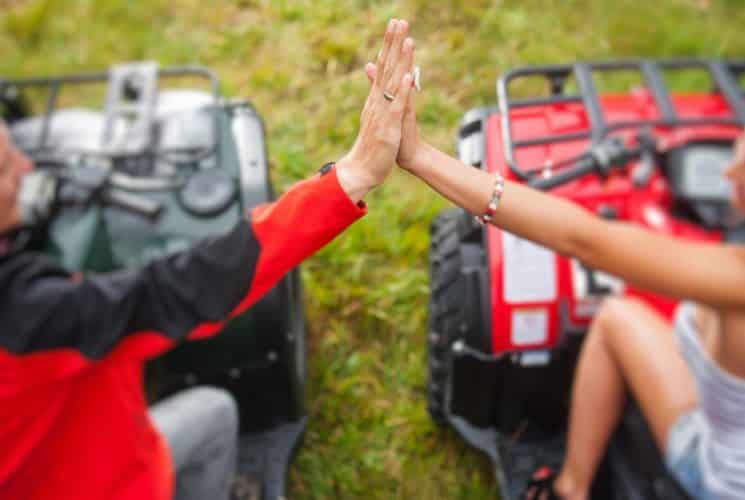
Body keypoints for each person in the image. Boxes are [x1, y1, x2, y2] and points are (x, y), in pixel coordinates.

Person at [0, 19, 416, 500]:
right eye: (10, 168)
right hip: (119, 481)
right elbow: (184, 289)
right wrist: (349, 179)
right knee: (216, 413)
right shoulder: (31, 320)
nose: (28, 167)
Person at [365, 57, 745, 499]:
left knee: (617, 318)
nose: (728, 171)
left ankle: (570, 486)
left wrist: (422, 158)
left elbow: (584, 239)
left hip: (721, 480)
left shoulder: (733, 278)